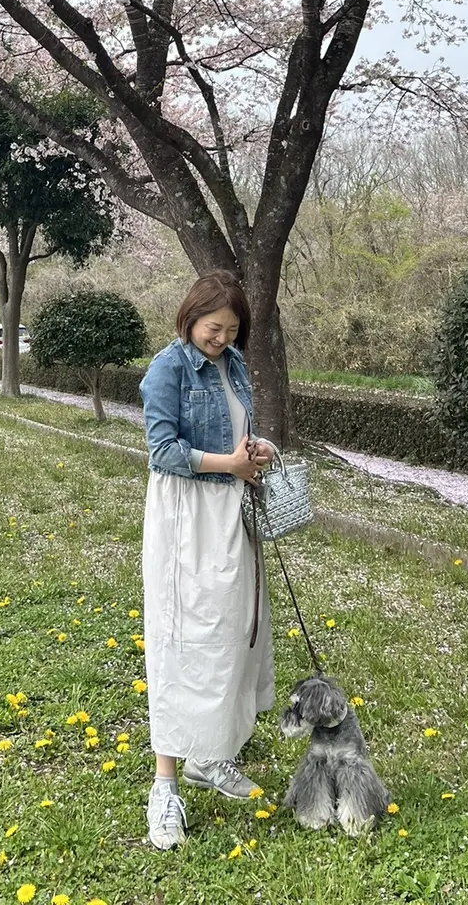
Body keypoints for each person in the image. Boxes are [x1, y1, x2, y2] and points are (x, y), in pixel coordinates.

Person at [138, 270, 277, 851]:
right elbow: (163, 451)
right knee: (181, 638)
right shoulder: (167, 368)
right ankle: (165, 785)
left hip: (231, 516)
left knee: (229, 637)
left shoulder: (235, 366)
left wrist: (258, 450)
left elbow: (237, 431)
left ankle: (211, 757)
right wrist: (230, 465)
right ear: (189, 316)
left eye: (232, 330)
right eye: (213, 327)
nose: (222, 338)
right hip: (186, 520)